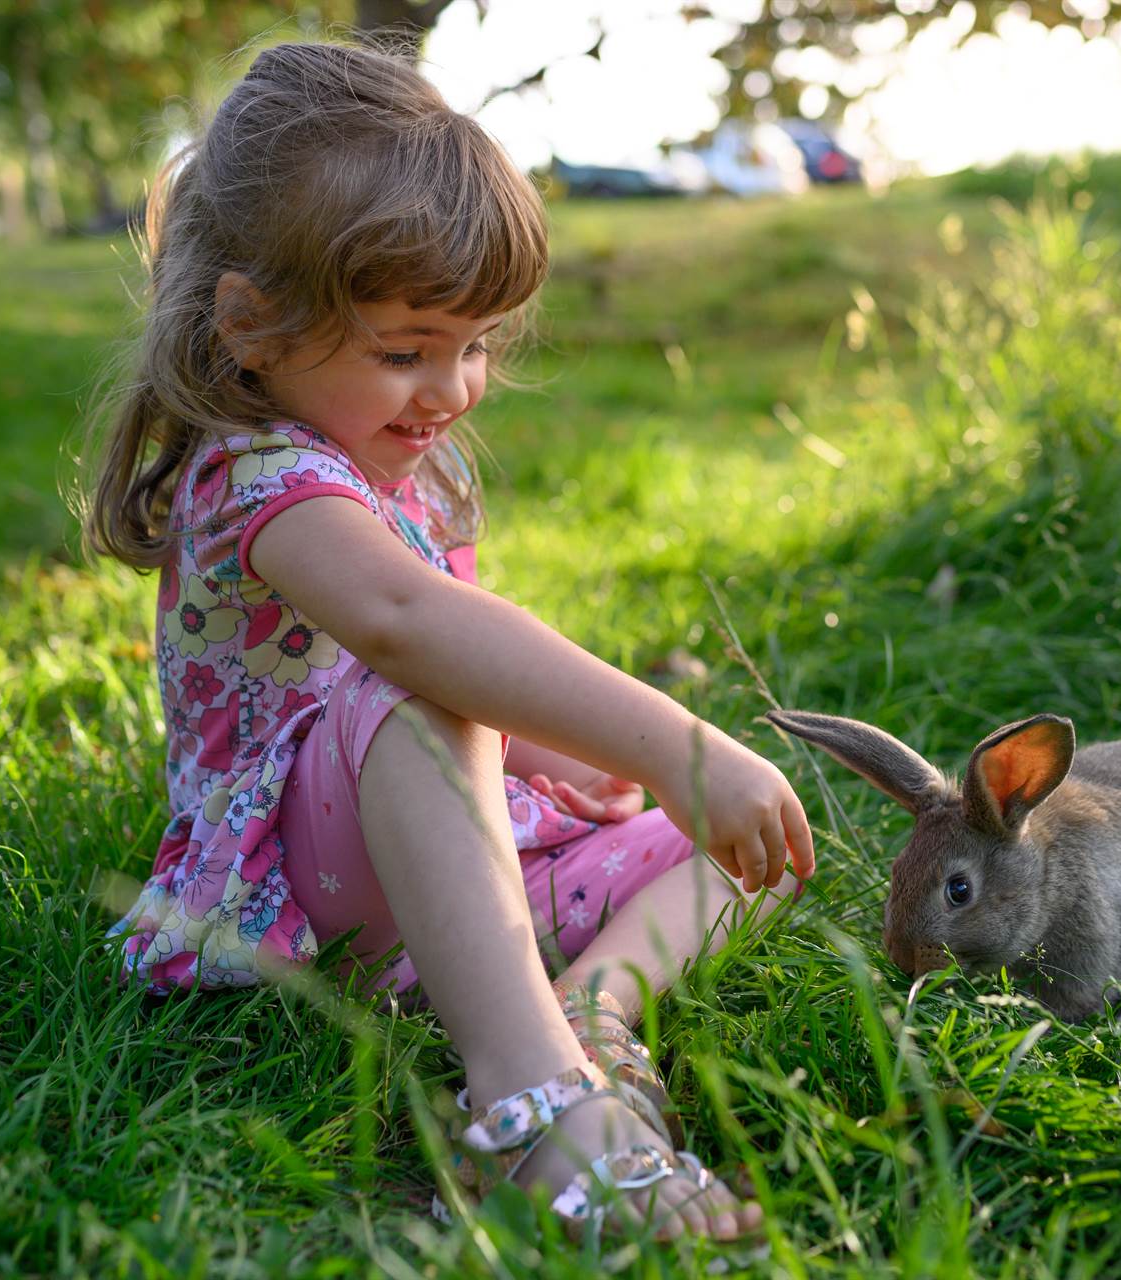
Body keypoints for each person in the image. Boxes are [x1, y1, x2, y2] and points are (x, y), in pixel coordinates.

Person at [85, 39, 815, 1246]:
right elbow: (409, 634)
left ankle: (596, 1001)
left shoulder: (402, 461)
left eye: (475, 343)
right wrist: (685, 744)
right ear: (253, 324)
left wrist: (547, 758)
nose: (456, 386)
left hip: (440, 882)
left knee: (743, 852)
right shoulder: (262, 477)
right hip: (298, 898)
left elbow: (459, 684)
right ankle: (532, 1100)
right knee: (422, 690)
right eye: (406, 348)